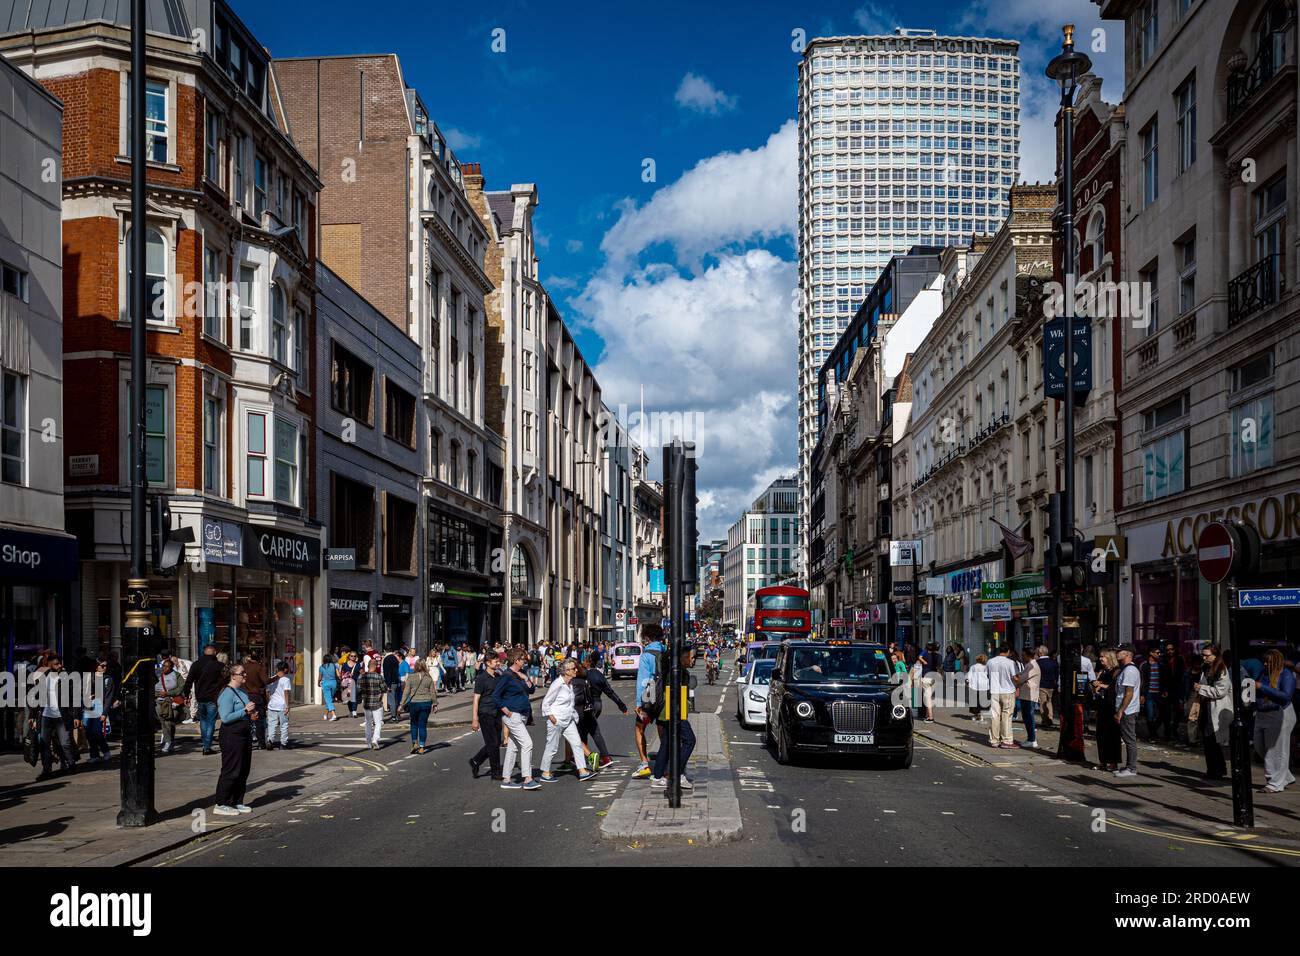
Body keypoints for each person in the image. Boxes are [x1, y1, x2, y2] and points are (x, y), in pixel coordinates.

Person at [539, 659, 597, 782]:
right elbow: (546, 702)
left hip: (568, 719)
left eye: (575, 668)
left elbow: (570, 703)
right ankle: (545, 772)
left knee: (576, 743)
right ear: (566, 671)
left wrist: (573, 716)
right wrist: (552, 718)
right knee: (552, 747)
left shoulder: (569, 684)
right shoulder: (557, 684)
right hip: (557, 720)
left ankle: (582, 771)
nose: (576, 670)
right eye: (573, 669)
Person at [27, 655, 81, 781]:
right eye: (57, 664)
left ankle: (71, 764)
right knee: (44, 744)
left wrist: (76, 716)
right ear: (50, 665)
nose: (60, 666)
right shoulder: (42, 679)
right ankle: (47, 770)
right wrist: (32, 716)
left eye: (60, 663)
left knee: (65, 743)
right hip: (46, 716)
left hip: (62, 716)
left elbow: (76, 698)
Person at [494, 648, 541, 790]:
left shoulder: (522, 673)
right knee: (527, 744)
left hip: (522, 715)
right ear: (516, 660)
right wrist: (505, 710)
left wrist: (525, 678)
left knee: (513, 747)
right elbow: (496, 696)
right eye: (523, 660)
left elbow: (531, 690)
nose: (525, 662)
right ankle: (527, 778)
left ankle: (506, 779)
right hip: (512, 715)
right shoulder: (506, 675)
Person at [213, 663, 257, 816]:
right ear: (233, 676)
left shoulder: (242, 691)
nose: (245, 675)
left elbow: (245, 711)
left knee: (243, 769)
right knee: (231, 769)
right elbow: (225, 718)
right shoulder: (226, 693)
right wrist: (244, 711)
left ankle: (236, 801)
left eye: (244, 673)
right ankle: (221, 803)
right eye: (241, 673)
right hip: (232, 735)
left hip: (244, 734)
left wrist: (251, 714)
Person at [650, 646, 695, 790]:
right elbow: (673, 693)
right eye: (691, 657)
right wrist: (680, 712)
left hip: (671, 711)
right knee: (690, 740)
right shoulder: (678, 673)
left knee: (667, 743)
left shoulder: (678, 672)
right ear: (684, 658)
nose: (693, 660)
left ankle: (657, 776)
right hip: (675, 711)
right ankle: (678, 772)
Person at [1253, 649, 1296, 793]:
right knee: (1260, 747)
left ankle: (1274, 782)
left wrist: (1262, 687)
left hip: (1280, 714)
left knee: (1276, 750)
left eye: (1268, 662)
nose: (1265, 664)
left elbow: (1286, 696)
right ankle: (1286, 776)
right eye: (1264, 661)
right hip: (1262, 713)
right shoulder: (1264, 673)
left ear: (1277, 661)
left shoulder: (1286, 674)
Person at [579, 650, 628, 770]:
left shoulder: (584, 674)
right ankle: (595, 757)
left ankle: (594, 758)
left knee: (586, 731)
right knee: (589, 729)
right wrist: (621, 705)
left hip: (587, 705)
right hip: (598, 704)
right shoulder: (600, 675)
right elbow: (610, 692)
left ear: (587, 662)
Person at [1192, 645, 1232, 780]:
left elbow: (1220, 692)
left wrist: (1201, 688)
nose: (1204, 658)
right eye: (1202, 655)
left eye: (1207, 655)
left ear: (1215, 656)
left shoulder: (1222, 669)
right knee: (1208, 740)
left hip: (1217, 708)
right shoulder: (1205, 668)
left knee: (1212, 739)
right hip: (1206, 707)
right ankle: (1214, 769)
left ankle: (1216, 770)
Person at [633, 623, 666, 778]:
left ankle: (644, 764)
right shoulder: (666, 652)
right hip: (664, 695)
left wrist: (639, 704)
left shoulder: (646, 655)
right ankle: (666, 764)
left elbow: (644, 680)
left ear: (648, 637)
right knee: (662, 730)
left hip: (650, 693)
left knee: (640, 728)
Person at [182, 644, 225, 754]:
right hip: (213, 697)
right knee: (211, 722)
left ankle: (205, 744)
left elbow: (189, 681)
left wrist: (186, 695)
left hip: (200, 697)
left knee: (203, 721)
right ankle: (207, 746)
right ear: (215, 652)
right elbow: (225, 680)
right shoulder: (219, 665)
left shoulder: (196, 665)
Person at [470, 654, 505, 780]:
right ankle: (496, 772)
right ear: (488, 663)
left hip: (497, 713)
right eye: (495, 661)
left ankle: (475, 761)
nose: (498, 663)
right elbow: (476, 699)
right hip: (485, 713)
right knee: (493, 742)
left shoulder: (498, 676)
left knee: (494, 742)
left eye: (498, 661)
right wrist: (475, 719)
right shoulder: (481, 678)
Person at [1091, 648, 1121, 771]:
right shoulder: (1102, 671)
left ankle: (1113, 762)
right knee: (1101, 735)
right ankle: (1102, 761)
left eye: (1103, 656)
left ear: (1110, 658)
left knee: (1112, 735)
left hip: (1111, 706)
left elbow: (1114, 687)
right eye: (1100, 656)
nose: (1100, 658)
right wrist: (1095, 685)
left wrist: (1100, 685)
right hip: (1102, 706)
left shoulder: (1116, 671)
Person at [1114, 644, 1142, 778]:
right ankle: (1128, 766)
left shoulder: (1130, 670)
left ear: (1127, 654)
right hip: (1125, 709)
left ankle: (1131, 768)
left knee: (1129, 739)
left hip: (1128, 710)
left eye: (1119, 651)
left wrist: (1121, 711)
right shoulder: (1125, 669)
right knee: (1126, 738)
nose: (1116, 653)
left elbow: (1129, 693)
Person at [1140, 645, 1174, 744]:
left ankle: (1161, 734)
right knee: (1150, 715)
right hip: (1149, 694)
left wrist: (1166, 690)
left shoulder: (1162, 665)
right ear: (1151, 653)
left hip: (1160, 694)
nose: (1159, 655)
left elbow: (1167, 679)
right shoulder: (1145, 666)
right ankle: (1152, 735)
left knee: (1163, 715)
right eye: (1157, 653)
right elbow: (1143, 681)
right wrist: (1142, 695)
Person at [401, 660, 437, 754]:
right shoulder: (428, 678)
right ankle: (421, 747)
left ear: (416, 666)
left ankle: (414, 744)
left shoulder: (411, 677)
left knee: (414, 724)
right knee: (422, 725)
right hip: (426, 703)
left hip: (414, 703)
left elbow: (406, 692)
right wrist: (435, 704)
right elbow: (433, 692)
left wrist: (401, 705)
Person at [986, 645, 1019, 749]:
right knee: (1006, 716)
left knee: (994, 716)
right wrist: (1019, 683)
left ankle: (994, 740)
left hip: (994, 691)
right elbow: (1015, 677)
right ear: (1008, 651)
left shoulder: (990, 662)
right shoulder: (1010, 663)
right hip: (1008, 691)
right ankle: (1007, 741)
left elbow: (987, 675)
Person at [83, 657, 112, 765]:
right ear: (96, 667)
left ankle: (105, 751)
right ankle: (94, 755)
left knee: (96, 731)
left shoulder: (107, 679)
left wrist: (104, 713)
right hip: (88, 707)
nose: (105, 668)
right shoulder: (89, 677)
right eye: (102, 666)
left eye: (106, 666)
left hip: (99, 707)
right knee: (88, 732)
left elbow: (108, 697)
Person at [154, 657, 183, 754]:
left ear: (171, 667)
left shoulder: (176, 675)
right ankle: (169, 741)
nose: (164, 668)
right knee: (164, 722)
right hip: (159, 701)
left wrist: (168, 693)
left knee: (169, 722)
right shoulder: (157, 674)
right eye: (163, 666)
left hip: (170, 701)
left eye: (167, 667)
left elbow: (180, 688)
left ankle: (169, 741)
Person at [1013, 648, 1040, 748]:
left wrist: (1013, 677)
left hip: (1029, 695)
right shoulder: (1029, 665)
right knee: (1027, 717)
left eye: (1024, 655)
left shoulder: (1031, 665)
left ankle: (1032, 740)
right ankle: (1030, 739)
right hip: (1027, 694)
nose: (1022, 657)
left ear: (1029, 655)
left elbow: (1020, 679)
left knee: (1029, 717)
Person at [358, 657, 387, 750]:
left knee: (368, 722)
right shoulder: (379, 677)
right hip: (377, 703)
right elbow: (384, 689)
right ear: (376, 666)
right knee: (378, 723)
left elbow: (358, 689)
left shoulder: (362, 677)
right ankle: (375, 739)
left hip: (366, 703)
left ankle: (369, 742)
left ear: (368, 666)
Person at [242, 651, 269, 749]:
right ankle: (261, 743)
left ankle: (246, 741)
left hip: (244, 695)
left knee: (246, 719)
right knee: (259, 720)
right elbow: (266, 680)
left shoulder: (243, 666)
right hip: (256, 696)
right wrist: (276, 677)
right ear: (259, 658)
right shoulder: (259, 667)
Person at [265, 661, 293, 750]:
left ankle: (270, 740)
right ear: (285, 669)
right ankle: (283, 744)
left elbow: (267, 692)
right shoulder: (286, 680)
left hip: (272, 704)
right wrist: (287, 705)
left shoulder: (271, 679)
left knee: (271, 724)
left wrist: (268, 701)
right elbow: (286, 693)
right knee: (284, 724)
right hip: (282, 705)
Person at [1035, 646, 1058, 729]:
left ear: (1040, 653)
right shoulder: (1053, 662)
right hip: (1051, 685)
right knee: (1049, 701)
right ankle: (1050, 718)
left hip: (1041, 685)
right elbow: (1056, 675)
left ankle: (1045, 720)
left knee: (1042, 703)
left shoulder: (1037, 663)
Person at [318, 653, 340, 721]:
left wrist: (318, 683)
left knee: (328, 700)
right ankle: (325, 714)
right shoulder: (334, 665)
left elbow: (320, 677)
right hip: (334, 683)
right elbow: (338, 675)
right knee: (329, 700)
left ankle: (333, 715)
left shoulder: (321, 667)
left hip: (326, 684)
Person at [382, 646, 403, 720]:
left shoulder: (387, 659)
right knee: (396, 699)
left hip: (391, 683)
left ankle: (393, 717)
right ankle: (396, 715)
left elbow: (387, 673)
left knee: (391, 700)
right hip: (396, 681)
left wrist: (388, 685)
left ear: (385, 650)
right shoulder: (395, 658)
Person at [967, 654, 990, 720]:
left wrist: (967, 682)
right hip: (984, 686)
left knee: (975, 701)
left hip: (975, 686)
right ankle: (981, 714)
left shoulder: (973, 667)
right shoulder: (986, 667)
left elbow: (969, 675)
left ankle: (976, 714)